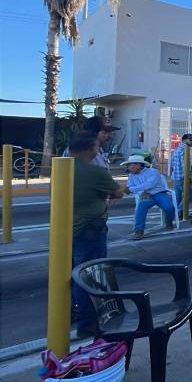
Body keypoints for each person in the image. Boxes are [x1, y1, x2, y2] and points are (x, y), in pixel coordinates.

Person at [69, 131, 123, 336]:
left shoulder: (59, 169)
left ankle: (71, 313)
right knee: (89, 276)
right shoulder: (95, 172)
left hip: (66, 230)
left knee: (72, 274)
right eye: (96, 146)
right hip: (90, 229)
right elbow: (117, 192)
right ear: (90, 148)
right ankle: (87, 323)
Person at [121, 155, 175, 240]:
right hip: (146, 195)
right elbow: (132, 186)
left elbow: (149, 184)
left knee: (169, 207)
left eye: (133, 164)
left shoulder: (153, 172)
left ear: (140, 165)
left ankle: (169, 221)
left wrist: (131, 189)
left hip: (159, 193)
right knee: (141, 207)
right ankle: (139, 231)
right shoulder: (131, 176)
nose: (130, 167)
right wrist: (141, 192)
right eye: (129, 165)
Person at [169, 133, 192, 213]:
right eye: (191, 140)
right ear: (184, 140)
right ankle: (179, 212)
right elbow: (185, 166)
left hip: (176, 177)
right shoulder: (185, 150)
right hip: (182, 177)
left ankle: (174, 213)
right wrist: (189, 177)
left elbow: (173, 164)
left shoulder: (177, 149)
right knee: (189, 196)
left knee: (177, 198)